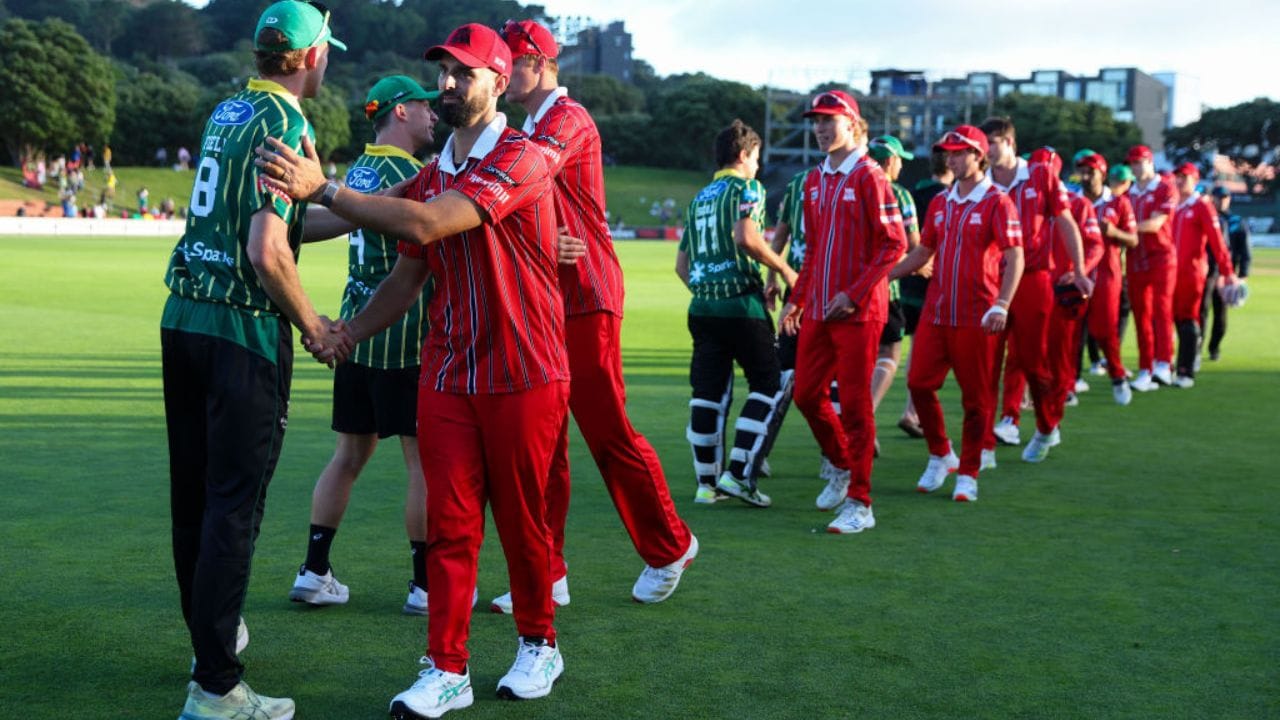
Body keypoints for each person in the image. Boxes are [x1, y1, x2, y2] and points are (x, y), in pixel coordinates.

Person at [257, 22, 571, 717]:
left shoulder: (522, 156)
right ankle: (447, 668)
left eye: (464, 73)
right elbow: (405, 279)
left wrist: (325, 189)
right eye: (443, 73)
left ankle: (539, 644)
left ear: (499, 81)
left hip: (524, 369)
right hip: (449, 372)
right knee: (449, 524)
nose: (448, 84)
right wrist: (346, 334)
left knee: (521, 520)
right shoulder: (433, 172)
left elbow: (429, 224)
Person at [161, 3, 346, 719]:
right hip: (242, 332)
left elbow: (283, 221)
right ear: (310, 57)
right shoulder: (286, 124)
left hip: (184, 319)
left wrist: (364, 206)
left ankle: (208, 643)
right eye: (326, 51)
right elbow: (268, 250)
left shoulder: (228, 110)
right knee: (232, 509)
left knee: (194, 502)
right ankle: (215, 687)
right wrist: (315, 326)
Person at [493, 19, 697, 611]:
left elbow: (520, 177)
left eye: (510, 61)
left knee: (607, 430)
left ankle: (670, 545)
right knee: (544, 441)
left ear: (539, 62)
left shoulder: (567, 118)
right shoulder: (532, 125)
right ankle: (547, 573)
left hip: (586, 294)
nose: (502, 72)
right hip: (547, 298)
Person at [286, 75, 440, 615]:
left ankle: (314, 570)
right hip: (403, 336)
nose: (432, 113)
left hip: (355, 333)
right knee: (423, 462)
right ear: (400, 112)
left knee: (348, 455)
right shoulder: (412, 175)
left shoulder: (360, 170)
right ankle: (426, 586)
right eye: (422, 105)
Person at [778, 90, 907, 533]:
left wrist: (853, 294)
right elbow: (813, 250)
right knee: (806, 394)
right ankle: (841, 464)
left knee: (854, 405)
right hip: (818, 306)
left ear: (852, 123)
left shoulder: (871, 176)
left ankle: (861, 504)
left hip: (859, 311)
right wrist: (797, 298)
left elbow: (894, 245)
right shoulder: (814, 180)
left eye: (828, 120)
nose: (819, 128)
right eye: (815, 121)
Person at [892, 125, 1023, 502]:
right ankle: (940, 453)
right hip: (936, 312)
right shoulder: (940, 202)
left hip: (978, 314)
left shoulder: (998, 201)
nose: (951, 159)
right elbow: (924, 252)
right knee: (919, 384)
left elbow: (1015, 256)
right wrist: (884, 276)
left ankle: (969, 472)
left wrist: (1002, 304)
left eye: (959, 152)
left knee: (977, 400)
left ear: (979, 156)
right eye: (947, 153)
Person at [677, 119, 796, 508]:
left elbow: (682, 265)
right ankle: (740, 475)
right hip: (742, 305)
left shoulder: (699, 198)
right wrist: (784, 269)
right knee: (767, 383)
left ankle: (706, 485)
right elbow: (747, 237)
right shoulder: (748, 188)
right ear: (744, 155)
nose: (758, 166)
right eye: (756, 158)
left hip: (702, 307)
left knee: (707, 393)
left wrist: (709, 290)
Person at [981, 118, 1091, 464]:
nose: (986, 150)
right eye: (984, 143)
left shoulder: (1040, 175)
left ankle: (1046, 425)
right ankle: (983, 445)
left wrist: (1079, 270)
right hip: (991, 281)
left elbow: (1065, 221)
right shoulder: (979, 179)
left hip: (1033, 279)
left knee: (1034, 363)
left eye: (993, 142)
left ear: (1010, 142)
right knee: (984, 365)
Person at [1037, 147, 1103, 444]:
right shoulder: (1024, 202)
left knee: (1063, 347)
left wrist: (1079, 271)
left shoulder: (1078, 204)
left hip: (1064, 288)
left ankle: (1064, 392)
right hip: (1033, 285)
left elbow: (1096, 244)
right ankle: (1014, 413)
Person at [867, 135, 919, 448]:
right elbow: (913, 245)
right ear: (890, 161)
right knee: (890, 352)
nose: (901, 166)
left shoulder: (853, 185)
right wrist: (922, 264)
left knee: (858, 357)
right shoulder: (898, 194)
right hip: (886, 288)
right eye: (900, 160)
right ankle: (866, 418)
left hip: (850, 286)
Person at [1076, 154, 1138, 404]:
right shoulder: (1072, 201)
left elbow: (1133, 240)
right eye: (1082, 171)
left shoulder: (1118, 203)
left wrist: (1113, 232)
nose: (1085, 177)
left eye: (1090, 172)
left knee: (1104, 330)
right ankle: (1070, 381)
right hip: (1077, 272)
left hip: (1106, 275)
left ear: (1102, 174)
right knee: (1071, 330)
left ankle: (1117, 374)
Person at [1170, 163, 1238, 387]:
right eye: (1178, 176)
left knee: (1188, 319)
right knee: (1168, 320)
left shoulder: (1202, 206)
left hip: (1191, 273)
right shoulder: (1172, 204)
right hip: (1168, 273)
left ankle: (1186, 370)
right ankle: (1165, 366)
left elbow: (1217, 242)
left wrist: (1228, 272)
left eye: (1185, 177)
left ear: (1195, 180)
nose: (1180, 181)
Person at [898, 149, 951, 437]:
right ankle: (911, 412)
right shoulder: (949, 197)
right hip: (930, 277)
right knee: (920, 350)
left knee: (888, 349)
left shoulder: (912, 192)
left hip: (904, 277)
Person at [1125, 145, 1178, 390]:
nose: (1136, 167)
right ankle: (1145, 368)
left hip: (1161, 256)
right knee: (1141, 315)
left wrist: (1125, 230)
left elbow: (1156, 224)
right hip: (1136, 258)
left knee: (1161, 309)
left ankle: (1164, 363)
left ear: (1150, 161)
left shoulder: (1165, 188)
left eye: (1139, 162)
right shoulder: (1129, 192)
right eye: (1132, 163)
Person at [1206, 186, 1251, 360]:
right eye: (1219, 197)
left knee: (1221, 315)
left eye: (1225, 198)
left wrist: (1243, 275)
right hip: (1207, 272)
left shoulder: (1236, 222)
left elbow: (1245, 251)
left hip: (1226, 275)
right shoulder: (1204, 216)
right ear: (1213, 198)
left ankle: (1214, 348)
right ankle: (1195, 348)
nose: (1222, 201)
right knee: (1201, 311)